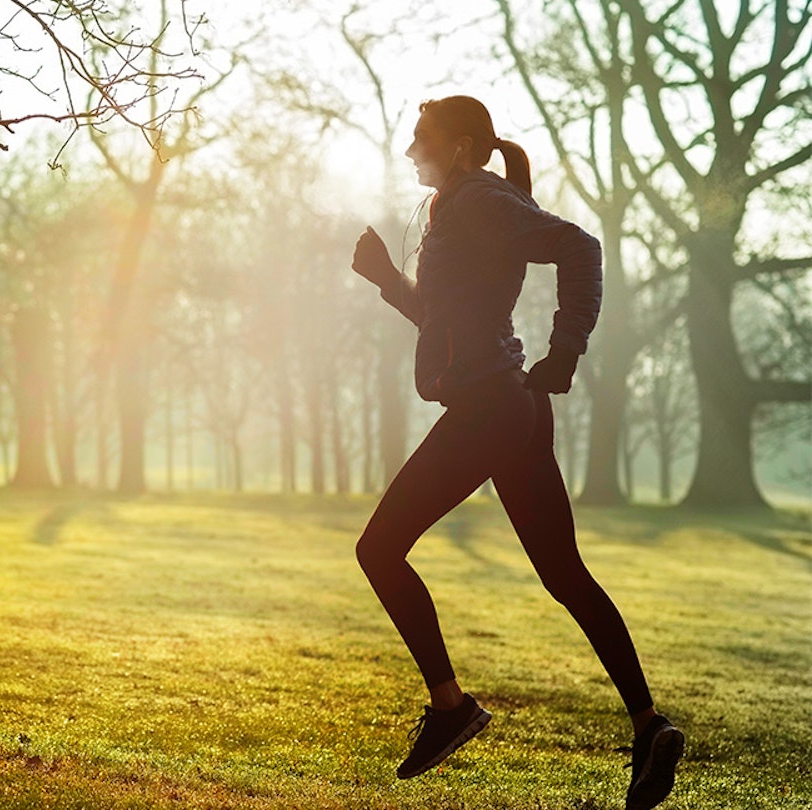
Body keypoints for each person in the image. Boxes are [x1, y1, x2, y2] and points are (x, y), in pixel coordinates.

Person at [348, 95, 683, 810]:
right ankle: (649, 725)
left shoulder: (479, 200)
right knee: (565, 574)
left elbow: (580, 248)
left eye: (423, 139)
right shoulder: (461, 206)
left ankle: (451, 707)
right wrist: (385, 279)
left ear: (463, 146)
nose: (412, 151)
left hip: (492, 408)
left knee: (378, 550)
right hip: (507, 407)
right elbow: (446, 319)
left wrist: (566, 351)